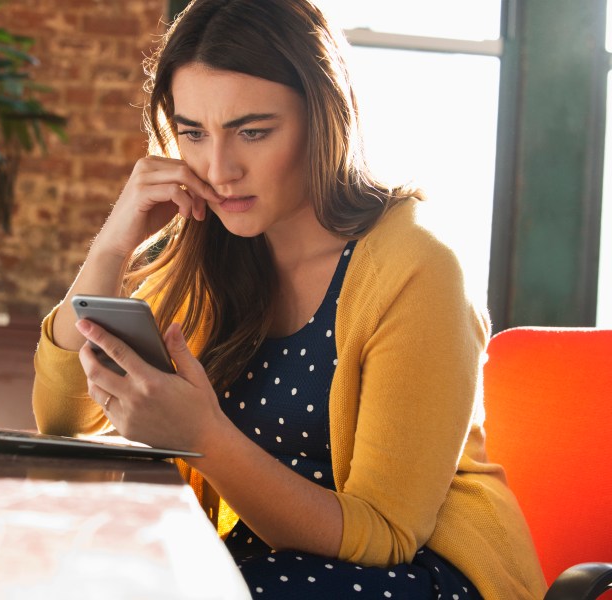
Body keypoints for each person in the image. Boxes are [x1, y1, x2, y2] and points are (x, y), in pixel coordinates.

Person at [32, 0, 547, 597]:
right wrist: (112, 246)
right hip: (268, 567)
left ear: (324, 119)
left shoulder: (418, 267)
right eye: (194, 133)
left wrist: (203, 439)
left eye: (252, 132)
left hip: (417, 573)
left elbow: (386, 536)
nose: (220, 168)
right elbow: (64, 419)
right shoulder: (216, 251)